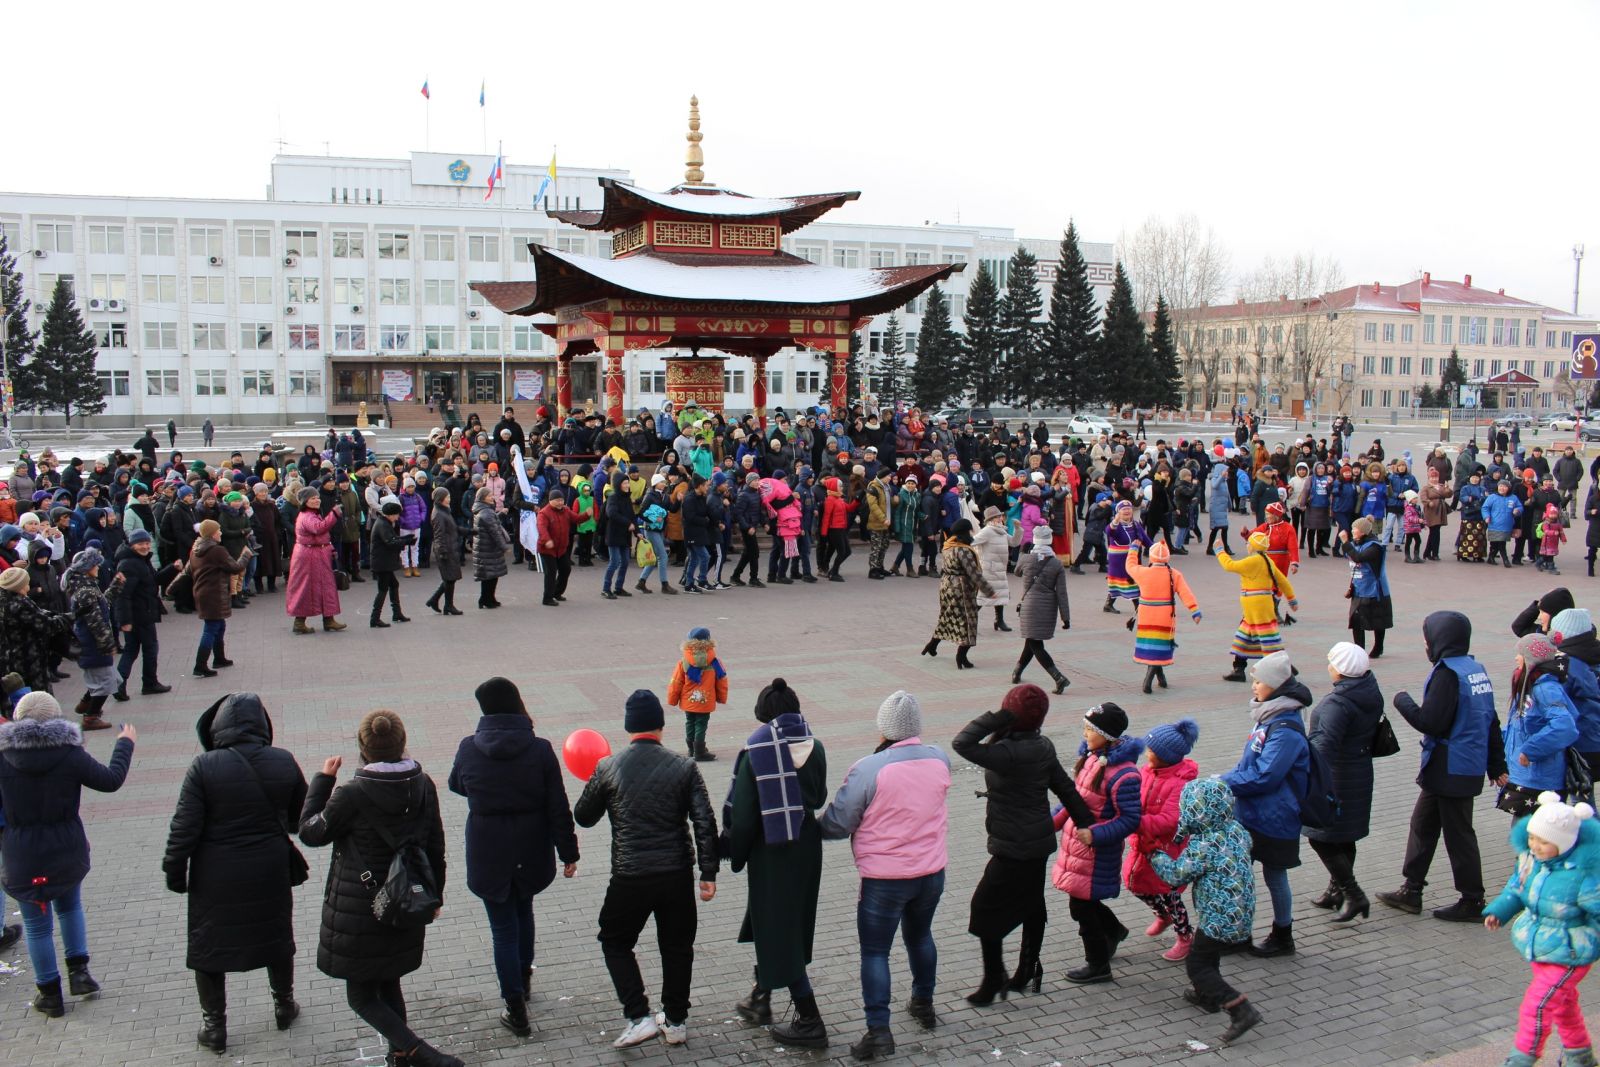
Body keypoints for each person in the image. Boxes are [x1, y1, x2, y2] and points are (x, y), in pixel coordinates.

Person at [299, 709, 460, 1067]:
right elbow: (436, 846)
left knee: (360, 994)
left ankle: (420, 1053)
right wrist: (435, 896)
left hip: (362, 907)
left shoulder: (351, 794)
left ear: (363, 748)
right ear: (402, 743)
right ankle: (400, 1056)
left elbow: (310, 831)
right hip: (406, 901)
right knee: (388, 982)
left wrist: (323, 781)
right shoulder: (423, 784)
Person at [573, 690, 719, 1050]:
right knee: (677, 946)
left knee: (614, 940)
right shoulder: (684, 766)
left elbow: (583, 816)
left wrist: (596, 784)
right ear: (661, 726)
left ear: (629, 728)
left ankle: (638, 1015)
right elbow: (704, 821)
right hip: (676, 874)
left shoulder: (609, 766)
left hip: (630, 874)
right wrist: (708, 873)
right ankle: (675, 1021)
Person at [161, 694, 308, 1051]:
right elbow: (298, 818)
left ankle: (215, 1026)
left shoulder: (204, 766)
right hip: (268, 868)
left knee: (209, 945)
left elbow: (184, 828)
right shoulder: (283, 760)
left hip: (215, 873)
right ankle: (284, 1005)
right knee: (275, 935)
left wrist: (175, 872)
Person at [819, 690, 950, 1061]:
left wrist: (811, 828)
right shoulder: (939, 758)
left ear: (883, 728)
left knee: (875, 952)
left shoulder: (870, 768)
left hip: (885, 878)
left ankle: (879, 1030)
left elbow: (840, 822)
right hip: (931, 872)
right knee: (920, 936)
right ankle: (924, 1003)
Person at [447, 677, 579, 1037]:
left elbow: (456, 784)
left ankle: (514, 1006)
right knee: (524, 910)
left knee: (502, 930)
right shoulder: (539, 749)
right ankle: (523, 976)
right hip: (530, 846)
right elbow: (557, 804)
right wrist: (568, 851)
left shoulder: (468, 747)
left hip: (488, 850)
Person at [952, 685, 1092, 1005]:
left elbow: (962, 742)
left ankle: (994, 976)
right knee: (1030, 903)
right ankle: (1027, 968)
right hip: (1038, 844)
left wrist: (996, 717)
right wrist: (1087, 824)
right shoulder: (1042, 746)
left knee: (983, 908)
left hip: (1013, 847)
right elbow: (1066, 789)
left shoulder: (1007, 752)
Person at [0, 692, 135, 1017]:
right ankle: (80, 974)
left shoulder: (3, 756)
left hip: (21, 853)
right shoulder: (69, 753)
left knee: (36, 926)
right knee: (69, 907)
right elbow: (110, 780)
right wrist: (125, 743)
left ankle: (50, 994)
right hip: (66, 847)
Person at [1378, 610, 1508, 922]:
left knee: (1458, 834)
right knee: (1423, 824)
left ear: (1440, 639)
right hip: (1457, 766)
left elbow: (1431, 723)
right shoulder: (1475, 669)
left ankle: (1473, 900)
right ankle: (1411, 889)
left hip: (1452, 766)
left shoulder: (1447, 674)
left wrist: (1402, 701)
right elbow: (1491, 721)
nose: (1426, 644)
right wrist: (1495, 764)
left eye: (1427, 638)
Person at [724, 678, 831, 1048]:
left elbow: (744, 817)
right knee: (778, 921)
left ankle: (809, 1019)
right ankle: (761, 997)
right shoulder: (815, 746)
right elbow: (818, 796)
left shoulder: (757, 754)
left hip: (772, 851)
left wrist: (733, 853)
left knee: (778, 930)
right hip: (807, 846)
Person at [1483, 791, 1600, 1067]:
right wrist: (1499, 911)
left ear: (1564, 843)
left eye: (1543, 842)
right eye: (1533, 837)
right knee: (1563, 1003)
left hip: (1571, 952)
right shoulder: (1531, 861)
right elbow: (1517, 889)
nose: (1534, 845)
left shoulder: (1584, 874)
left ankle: (1522, 1058)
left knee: (1537, 1005)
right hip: (1541, 944)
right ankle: (1579, 1055)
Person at [1149, 777, 1263, 1045]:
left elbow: (1177, 875)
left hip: (1219, 915)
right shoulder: (1236, 829)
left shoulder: (1204, 845)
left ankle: (1238, 1008)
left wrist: (1156, 856)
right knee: (1208, 954)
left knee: (1197, 964)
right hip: (1241, 909)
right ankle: (1206, 996)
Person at [1221, 649, 1312, 957]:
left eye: (1258, 681)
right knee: (1241, 875)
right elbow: (1248, 764)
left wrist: (1223, 782)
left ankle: (1283, 936)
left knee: (1274, 876)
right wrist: (1227, 779)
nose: (1253, 686)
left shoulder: (1285, 727)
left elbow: (1265, 776)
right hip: (1250, 813)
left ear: (1276, 685)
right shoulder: (1268, 715)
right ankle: (1237, 932)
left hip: (1276, 816)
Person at [1051, 701, 1141, 984]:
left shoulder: (1124, 775)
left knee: (1082, 908)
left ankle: (1098, 965)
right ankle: (1113, 931)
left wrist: (1096, 834)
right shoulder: (1092, 759)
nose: (1085, 733)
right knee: (1083, 904)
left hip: (1095, 851)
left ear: (1109, 735)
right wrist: (1048, 823)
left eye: (1090, 729)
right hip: (1077, 847)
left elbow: (1130, 819)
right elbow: (1074, 800)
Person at [1306, 642, 1384, 924]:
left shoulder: (1336, 703)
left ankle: (1353, 894)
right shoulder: (1369, 690)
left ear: (1340, 669)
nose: (1329, 668)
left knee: (1320, 836)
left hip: (1337, 777)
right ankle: (1335, 891)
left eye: (1332, 663)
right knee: (1344, 835)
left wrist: (1310, 779)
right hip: (1360, 771)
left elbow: (1324, 746)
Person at [1124, 718, 1200, 961]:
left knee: (1169, 893)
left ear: (1167, 756)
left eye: (1152, 750)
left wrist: (1137, 821)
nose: (1147, 753)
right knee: (1135, 883)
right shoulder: (1147, 772)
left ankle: (1185, 936)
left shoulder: (1180, 784)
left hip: (1166, 849)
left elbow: (1170, 820)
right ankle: (1163, 915)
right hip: (1143, 843)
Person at [1499, 632, 1581, 817]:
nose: (1515, 658)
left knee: (1531, 836)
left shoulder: (1544, 688)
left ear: (1531, 659)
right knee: (1524, 835)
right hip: (1525, 775)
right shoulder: (1529, 684)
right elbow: (1518, 726)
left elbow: (1565, 726)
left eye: (1519, 653)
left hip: (1540, 779)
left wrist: (1531, 750)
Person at [1216, 531, 1297, 682]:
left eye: (1248, 543)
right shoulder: (1267, 560)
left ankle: (1287, 669)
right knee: (1246, 636)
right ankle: (1239, 669)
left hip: (1256, 606)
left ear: (1253, 546)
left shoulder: (1254, 561)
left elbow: (1229, 565)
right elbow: (1283, 581)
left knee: (1268, 638)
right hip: (1256, 606)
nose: (1247, 545)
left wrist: (1220, 551)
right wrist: (1292, 599)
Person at [1125, 540, 1202, 694]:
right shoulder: (1174, 574)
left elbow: (1130, 566)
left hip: (1146, 614)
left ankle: (1159, 678)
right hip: (1165, 616)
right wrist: (1195, 611)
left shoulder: (1143, 572)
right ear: (1168, 558)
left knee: (1151, 646)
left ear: (1151, 558)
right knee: (1159, 646)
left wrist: (1133, 549)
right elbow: (1185, 593)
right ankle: (1150, 680)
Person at [921, 518, 995, 670]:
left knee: (947, 617)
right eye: (969, 531)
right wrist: (989, 591)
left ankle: (932, 645)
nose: (971, 534)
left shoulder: (947, 546)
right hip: (961, 589)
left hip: (946, 586)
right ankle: (961, 656)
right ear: (964, 533)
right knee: (968, 621)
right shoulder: (963, 551)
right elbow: (974, 574)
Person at [65, 548, 121, 731]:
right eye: (95, 564)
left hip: (91, 643)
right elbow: (95, 621)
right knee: (106, 682)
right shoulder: (85, 590)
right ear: (86, 567)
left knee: (107, 678)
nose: (98, 567)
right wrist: (108, 644)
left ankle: (85, 704)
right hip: (93, 644)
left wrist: (115, 586)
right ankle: (91, 716)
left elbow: (102, 604)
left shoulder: (87, 586)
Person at [110, 528, 169, 699]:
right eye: (140, 544)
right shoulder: (130, 564)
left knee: (132, 649)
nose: (144, 546)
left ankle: (119, 686)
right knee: (149, 648)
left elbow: (153, 580)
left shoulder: (140, 560)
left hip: (142, 612)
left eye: (146, 543)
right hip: (140, 614)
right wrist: (125, 621)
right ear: (132, 545)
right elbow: (123, 595)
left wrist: (172, 569)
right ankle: (149, 683)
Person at [1012, 525, 1072, 694]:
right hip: (1048, 608)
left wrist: (1023, 552)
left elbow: (1016, 573)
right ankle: (1016, 672)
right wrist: (1065, 617)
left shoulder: (1025, 559)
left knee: (1035, 643)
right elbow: (1062, 593)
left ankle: (1059, 678)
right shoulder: (1056, 563)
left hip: (1029, 606)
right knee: (1031, 641)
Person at [189, 518, 248, 678]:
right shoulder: (216, 550)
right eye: (218, 530)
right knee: (211, 629)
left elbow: (187, 571)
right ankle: (200, 665)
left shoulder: (196, 548)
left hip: (203, 593)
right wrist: (245, 556)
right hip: (213, 594)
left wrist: (171, 588)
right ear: (212, 533)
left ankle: (219, 658)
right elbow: (235, 568)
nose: (220, 532)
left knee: (219, 626)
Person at [285, 487, 346, 634]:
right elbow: (318, 529)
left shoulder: (312, 514)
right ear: (305, 501)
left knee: (326, 586)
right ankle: (299, 622)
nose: (317, 500)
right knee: (306, 588)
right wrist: (334, 514)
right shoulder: (307, 516)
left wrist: (329, 548)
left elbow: (320, 536)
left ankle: (328, 619)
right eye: (313, 498)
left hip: (316, 554)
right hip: (308, 556)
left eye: (317, 497)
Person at [666, 626, 728, 762]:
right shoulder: (715, 662)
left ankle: (691, 749)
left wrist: (672, 699)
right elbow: (722, 680)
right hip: (706, 700)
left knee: (690, 721)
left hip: (688, 700)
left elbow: (676, 682)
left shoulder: (683, 662)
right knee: (701, 723)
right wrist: (721, 698)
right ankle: (699, 751)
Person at [1340, 515, 1393, 657]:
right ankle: (1359, 650)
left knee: (1378, 620)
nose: (1352, 531)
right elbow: (1351, 557)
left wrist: (1345, 542)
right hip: (1359, 588)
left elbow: (1358, 558)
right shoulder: (1357, 543)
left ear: (1363, 531)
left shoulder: (1374, 547)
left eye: (1354, 529)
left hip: (1375, 590)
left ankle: (1378, 647)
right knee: (1356, 621)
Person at [369, 500, 415, 628]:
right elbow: (390, 542)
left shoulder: (385, 523)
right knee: (382, 589)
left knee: (394, 585)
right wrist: (406, 542)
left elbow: (393, 539)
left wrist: (406, 539)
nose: (398, 517)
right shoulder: (383, 525)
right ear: (390, 515)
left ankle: (397, 613)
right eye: (396, 514)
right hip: (382, 563)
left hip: (383, 562)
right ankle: (375, 618)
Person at [1103, 499, 1152, 615]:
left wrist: (1157, 549)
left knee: (1125, 582)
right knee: (1131, 582)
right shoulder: (1116, 525)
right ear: (1118, 512)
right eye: (1123, 509)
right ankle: (1139, 607)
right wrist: (1115, 520)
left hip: (1132, 559)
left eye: (1129, 509)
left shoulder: (1135, 524)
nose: (1127, 511)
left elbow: (1145, 540)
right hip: (1119, 561)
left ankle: (1108, 604)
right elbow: (1109, 531)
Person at [424, 487, 464, 615]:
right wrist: (442, 551)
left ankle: (436, 600)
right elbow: (439, 534)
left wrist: (468, 531)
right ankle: (447, 605)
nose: (449, 499)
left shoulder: (444, 511)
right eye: (447, 497)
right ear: (441, 499)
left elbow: (452, 528)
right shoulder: (438, 514)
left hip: (449, 547)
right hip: (445, 548)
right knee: (450, 578)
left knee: (450, 578)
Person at [536, 488, 578, 606]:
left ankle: (557, 593)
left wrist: (586, 515)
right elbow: (541, 528)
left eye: (562, 500)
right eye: (558, 500)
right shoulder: (544, 513)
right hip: (547, 549)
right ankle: (547, 598)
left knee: (566, 569)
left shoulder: (565, 510)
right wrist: (547, 540)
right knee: (551, 572)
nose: (561, 503)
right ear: (550, 501)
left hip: (561, 548)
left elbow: (576, 518)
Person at [974, 505, 1012, 632]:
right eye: (997, 516)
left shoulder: (1002, 530)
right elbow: (972, 542)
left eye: (1000, 516)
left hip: (1000, 568)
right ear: (991, 519)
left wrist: (1018, 529)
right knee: (983, 597)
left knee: (1000, 595)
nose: (1000, 518)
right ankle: (967, 620)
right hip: (989, 569)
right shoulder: (987, 531)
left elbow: (1014, 542)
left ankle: (999, 621)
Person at [473, 487, 510, 608]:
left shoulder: (484, 510)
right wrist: (504, 547)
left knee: (491, 575)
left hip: (485, 547)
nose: (492, 497)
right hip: (488, 548)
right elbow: (495, 531)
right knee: (489, 576)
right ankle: (485, 599)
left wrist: (499, 514)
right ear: (483, 498)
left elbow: (493, 523)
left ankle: (489, 598)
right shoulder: (486, 512)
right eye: (489, 495)